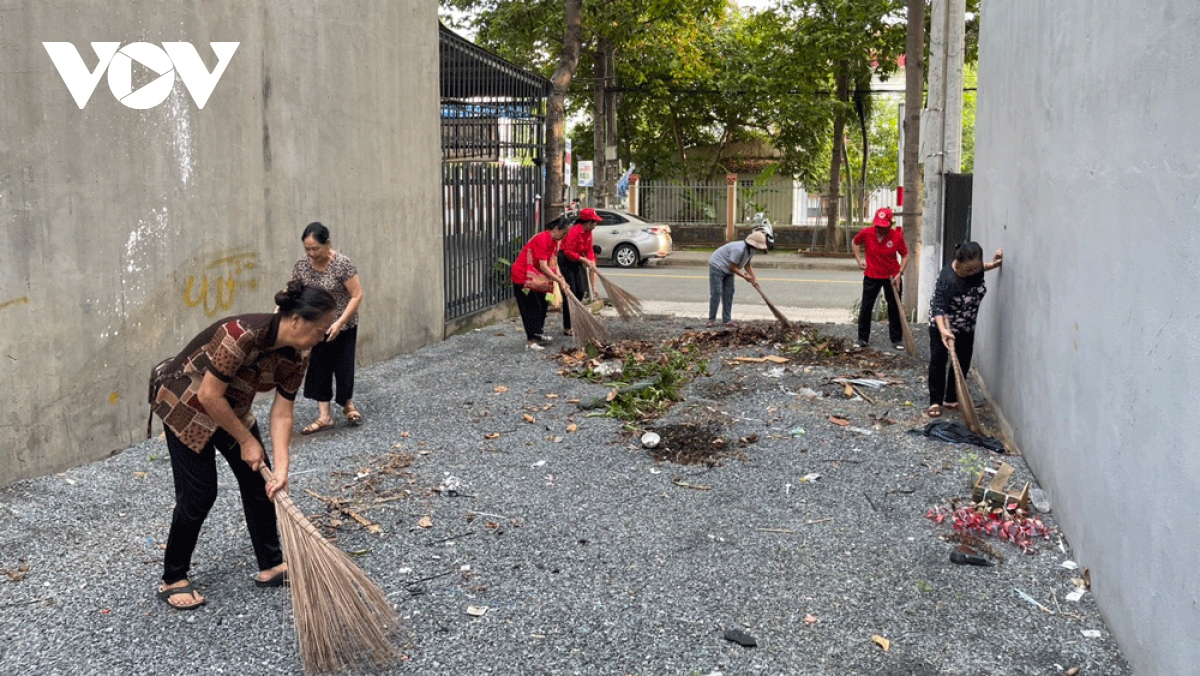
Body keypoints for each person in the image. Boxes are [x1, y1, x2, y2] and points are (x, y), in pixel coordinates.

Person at [150, 281, 337, 609]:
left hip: (228, 406)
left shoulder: (299, 354)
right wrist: (246, 440)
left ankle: (271, 564)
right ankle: (173, 577)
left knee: (259, 483)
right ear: (297, 321)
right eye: (321, 329)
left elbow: (282, 413)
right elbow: (208, 395)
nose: (323, 336)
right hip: (185, 401)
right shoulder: (240, 334)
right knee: (200, 492)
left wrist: (281, 467)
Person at [293, 222, 365, 434]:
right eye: (307, 249)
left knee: (344, 366)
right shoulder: (302, 265)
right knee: (318, 367)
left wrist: (339, 322)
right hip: (315, 327)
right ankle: (324, 416)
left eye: (315, 248)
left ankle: (347, 405)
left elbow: (356, 295)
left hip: (343, 324)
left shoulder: (342, 264)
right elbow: (293, 288)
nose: (311, 253)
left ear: (327, 244)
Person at [927, 242, 1004, 418]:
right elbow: (939, 307)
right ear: (958, 261)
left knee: (962, 361)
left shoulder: (976, 270)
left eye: (974, 269)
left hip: (967, 325)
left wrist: (994, 264)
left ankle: (951, 398)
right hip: (943, 324)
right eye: (967, 270)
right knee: (939, 360)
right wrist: (943, 331)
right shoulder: (948, 278)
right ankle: (935, 401)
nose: (972, 273)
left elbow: (981, 268)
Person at [852, 207, 909, 349]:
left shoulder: (897, 236)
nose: (879, 229)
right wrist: (859, 260)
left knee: (894, 307)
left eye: (883, 226)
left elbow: (905, 255)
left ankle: (896, 339)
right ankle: (862, 338)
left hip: (892, 276)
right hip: (872, 274)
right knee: (866, 306)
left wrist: (899, 273)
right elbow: (855, 242)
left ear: (890, 224)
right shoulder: (867, 233)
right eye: (877, 226)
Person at [511, 217, 571, 351]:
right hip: (523, 277)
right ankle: (530, 342)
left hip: (536, 279)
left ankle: (538, 333)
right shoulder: (542, 239)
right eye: (564, 233)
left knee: (543, 304)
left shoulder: (555, 242)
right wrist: (558, 281)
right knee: (532, 307)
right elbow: (544, 266)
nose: (565, 236)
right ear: (556, 229)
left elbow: (554, 263)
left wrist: (561, 278)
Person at [707, 231, 770, 328]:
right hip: (717, 265)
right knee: (717, 292)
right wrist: (744, 277)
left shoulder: (751, 251)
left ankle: (727, 320)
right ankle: (711, 320)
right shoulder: (739, 249)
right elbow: (732, 267)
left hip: (729, 268)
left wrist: (754, 279)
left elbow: (747, 265)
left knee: (729, 292)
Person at [557, 207, 603, 336]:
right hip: (566, 260)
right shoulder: (574, 231)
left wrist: (592, 261)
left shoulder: (588, 233)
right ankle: (568, 326)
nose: (595, 225)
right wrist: (584, 260)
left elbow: (589, 249)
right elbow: (568, 252)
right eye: (594, 222)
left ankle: (576, 319)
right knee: (570, 292)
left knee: (581, 291)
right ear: (587, 222)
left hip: (577, 260)